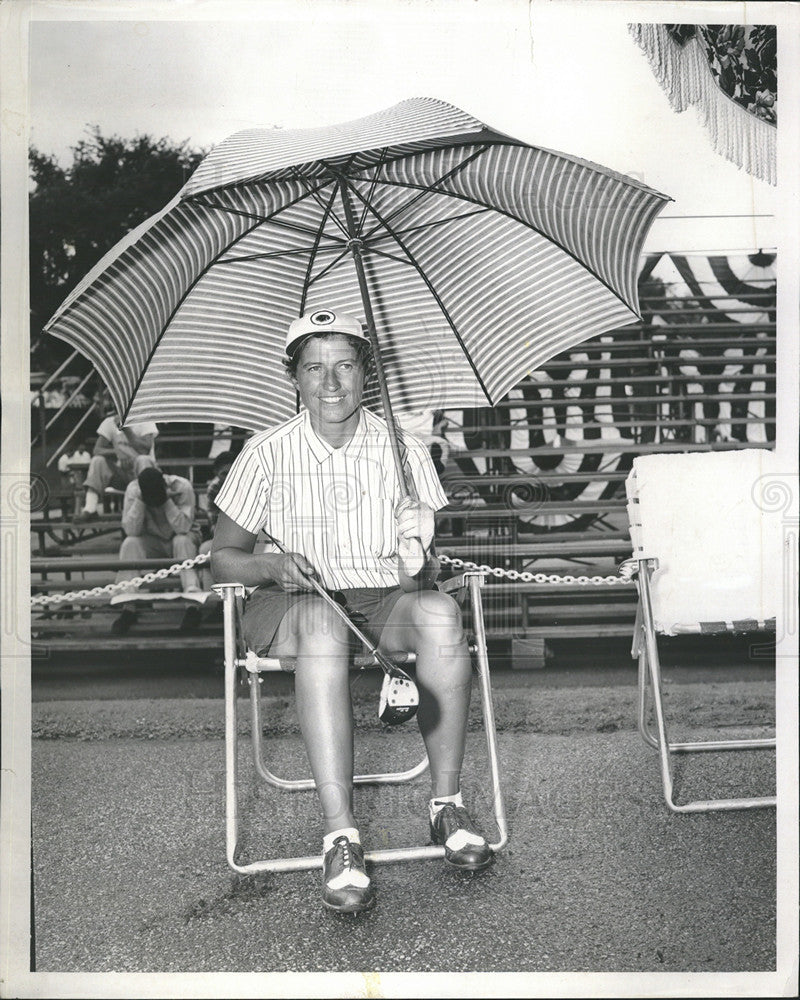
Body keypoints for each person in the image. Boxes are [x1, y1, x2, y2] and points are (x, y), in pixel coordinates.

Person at [211, 308, 492, 915]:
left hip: (378, 597)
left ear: (368, 373)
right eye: (314, 368)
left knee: (441, 615)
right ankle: (341, 835)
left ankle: (447, 805)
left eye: (344, 366)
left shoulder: (404, 450)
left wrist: (420, 549)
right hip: (291, 600)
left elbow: (415, 577)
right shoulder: (264, 453)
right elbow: (221, 560)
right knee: (319, 628)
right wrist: (270, 567)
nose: (330, 383)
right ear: (294, 377)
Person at [111, 466, 202, 635]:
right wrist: (140, 502)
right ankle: (128, 607)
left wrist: (167, 502)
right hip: (152, 542)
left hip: (180, 540)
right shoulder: (133, 490)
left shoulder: (182, 487)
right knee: (130, 543)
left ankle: (192, 606)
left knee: (181, 540)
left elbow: (183, 527)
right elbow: (131, 531)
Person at [74, 391, 159, 523]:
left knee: (142, 460)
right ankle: (90, 508)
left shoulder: (145, 419)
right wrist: (117, 453)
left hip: (145, 474)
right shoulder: (109, 422)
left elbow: (145, 450)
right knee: (97, 461)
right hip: (122, 473)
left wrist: (126, 429)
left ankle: (149, 507)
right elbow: (97, 450)